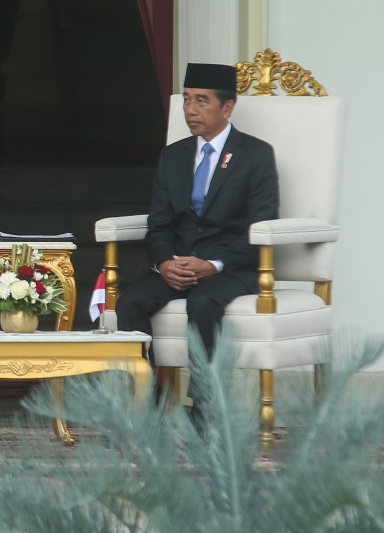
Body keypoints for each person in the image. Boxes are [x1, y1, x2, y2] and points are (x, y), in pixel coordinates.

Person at [116, 63, 279, 367]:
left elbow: (261, 226)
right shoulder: (173, 155)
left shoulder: (256, 155)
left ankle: (205, 408)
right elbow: (159, 224)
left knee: (203, 301)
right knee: (129, 303)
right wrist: (164, 263)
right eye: (187, 99)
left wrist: (213, 265)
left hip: (230, 268)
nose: (190, 109)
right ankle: (142, 406)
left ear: (227, 107)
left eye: (202, 101)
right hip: (179, 265)